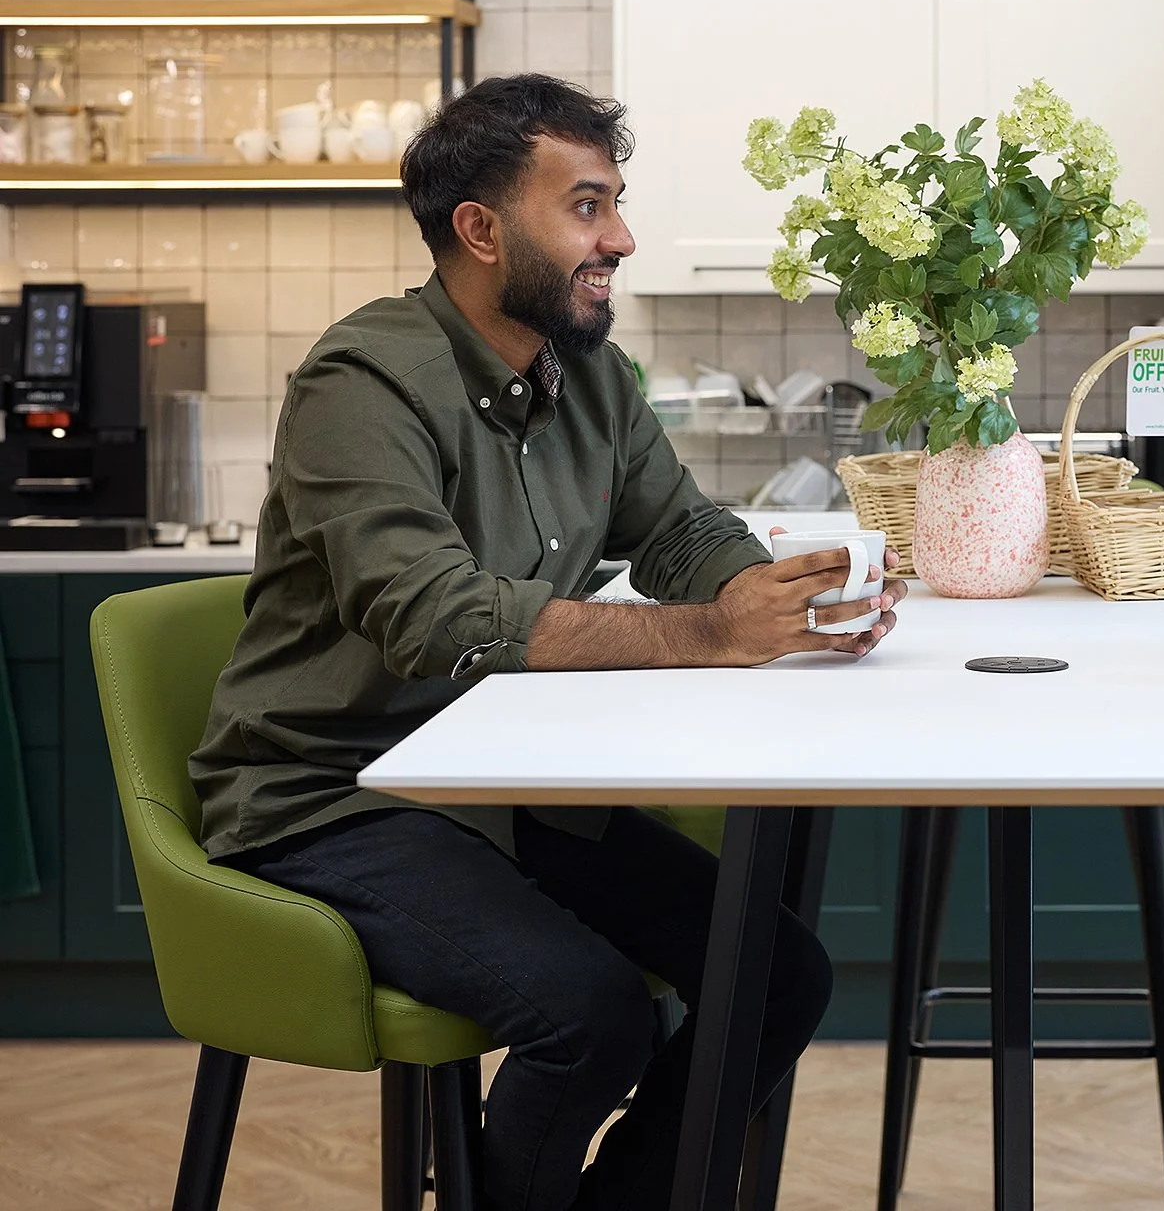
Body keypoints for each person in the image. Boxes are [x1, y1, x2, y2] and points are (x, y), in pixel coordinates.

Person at [189, 73, 903, 1211]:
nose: (618, 236)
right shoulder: (362, 382)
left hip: (510, 782)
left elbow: (676, 527)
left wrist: (775, 593)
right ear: (480, 229)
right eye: (584, 206)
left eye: (614, 202)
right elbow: (434, 613)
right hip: (338, 797)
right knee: (594, 1009)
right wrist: (711, 631)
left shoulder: (589, 374)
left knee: (778, 974)